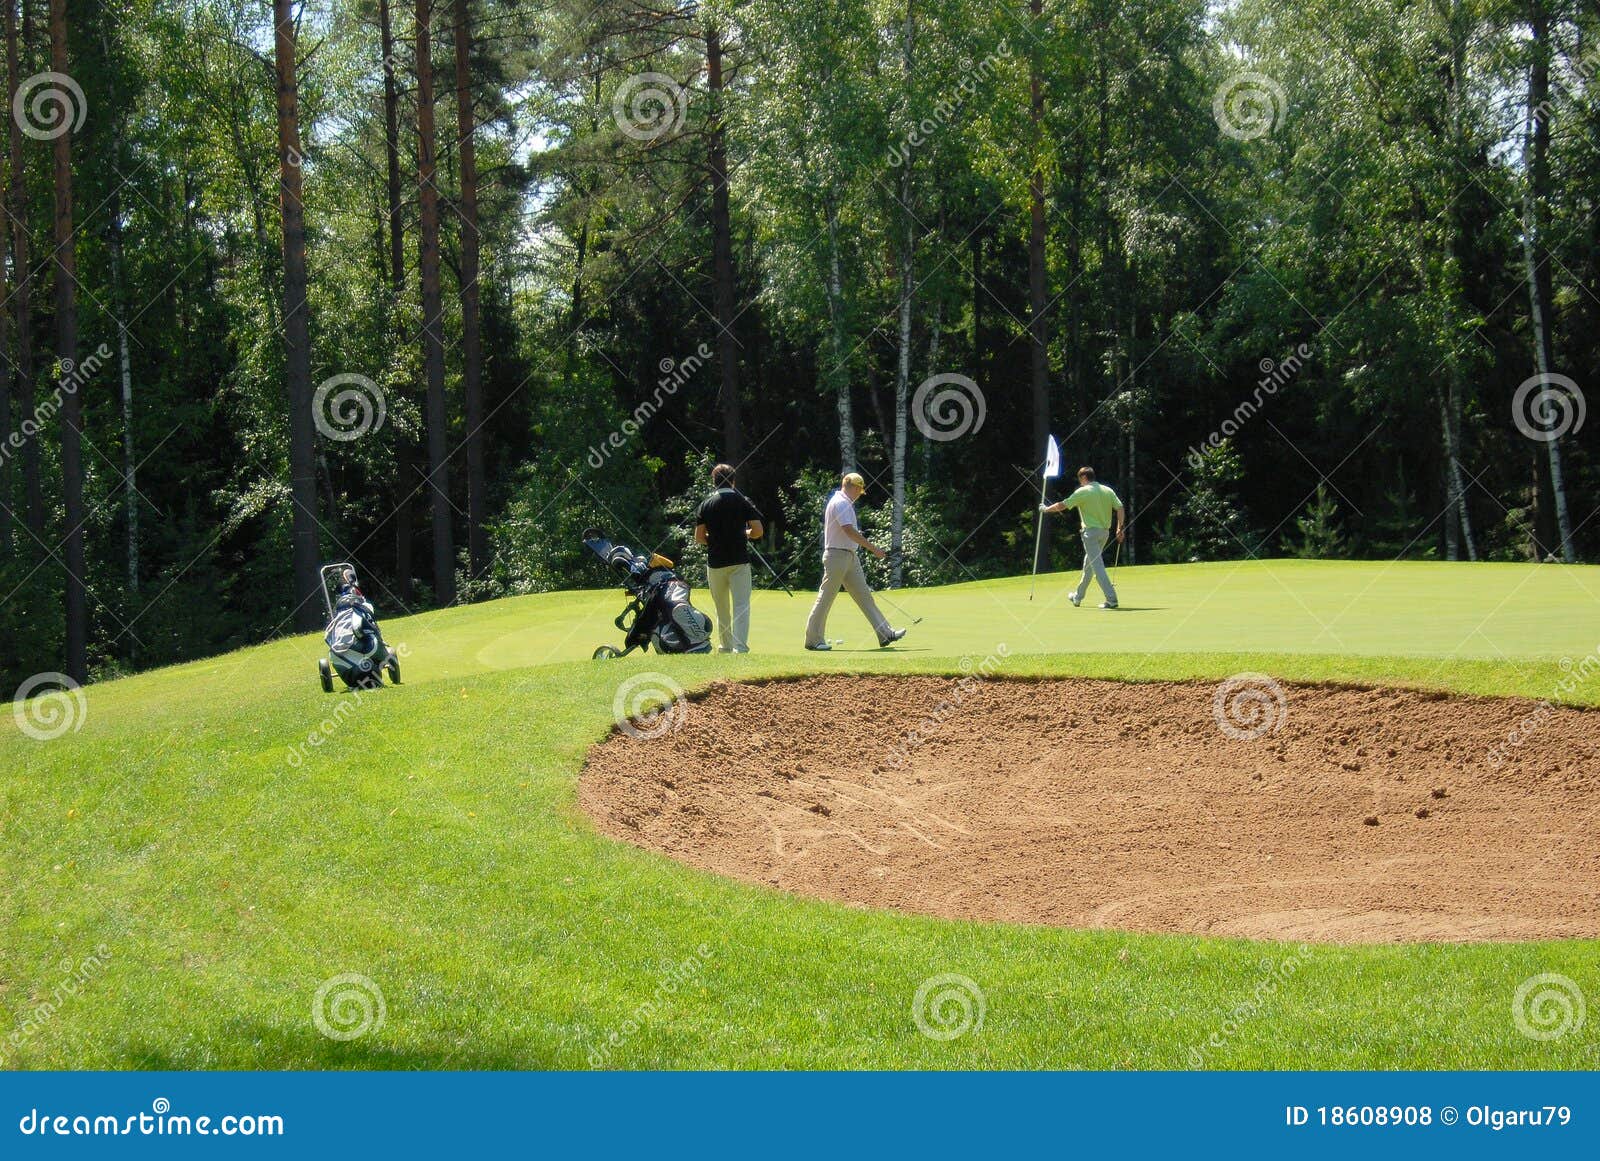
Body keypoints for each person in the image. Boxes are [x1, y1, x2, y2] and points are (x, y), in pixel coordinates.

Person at [803, 472, 907, 651]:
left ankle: (885, 633)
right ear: (854, 487)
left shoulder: (844, 502)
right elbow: (848, 530)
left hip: (849, 556)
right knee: (826, 597)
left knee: (865, 596)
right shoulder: (841, 502)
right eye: (859, 490)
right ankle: (813, 639)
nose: (860, 494)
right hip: (837, 556)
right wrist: (873, 549)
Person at [694, 463, 764, 653]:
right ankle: (740, 648)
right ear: (733, 481)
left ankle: (725, 645)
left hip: (715, 562)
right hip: (739, 560)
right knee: (741, 605)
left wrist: (717, 541)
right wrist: (745, 534)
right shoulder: (743, 501)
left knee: (721, 607)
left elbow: (699, 537)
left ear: (714, 482)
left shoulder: (706, 504)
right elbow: (758, 531)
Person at [1042, 466, 1125, 609]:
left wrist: (1046, 509)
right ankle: (1077, 597)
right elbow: (1120, 507)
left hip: (1091, 534)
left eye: (1080, 479)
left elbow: (1063, 505)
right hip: (1104, 533)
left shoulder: (1083, 491)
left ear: (1084, 478)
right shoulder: (1107, 490)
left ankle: (1112, 599)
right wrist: (1119, 527)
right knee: (1089, 566)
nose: (1080, 482)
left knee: (1097, 567)